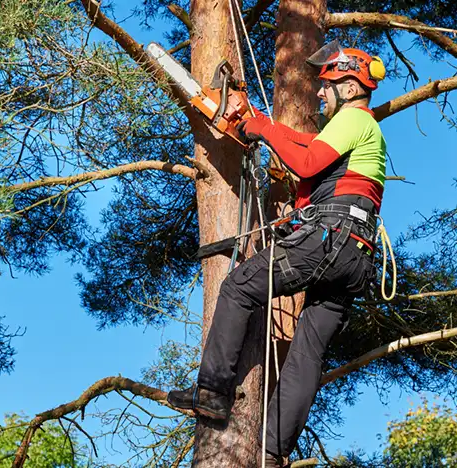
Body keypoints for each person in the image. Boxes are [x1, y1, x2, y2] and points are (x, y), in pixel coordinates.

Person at [168, 41, 387, 467]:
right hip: (355, 257)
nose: (320, 94)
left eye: (326, 87)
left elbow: (306, 162)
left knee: (239, 287)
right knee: (307, 352)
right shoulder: (358, 134)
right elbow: (307, 150)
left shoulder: (354, 119)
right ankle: (272, 453)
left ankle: (212, 393)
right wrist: (256, 124)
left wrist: (263, 127)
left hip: (332, 239)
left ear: (348, 84)